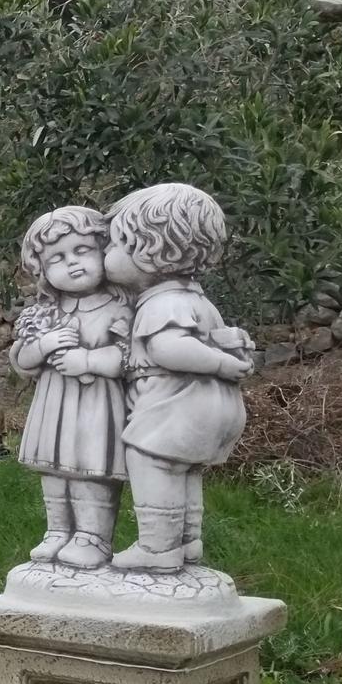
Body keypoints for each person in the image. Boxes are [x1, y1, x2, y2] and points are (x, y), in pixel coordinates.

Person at [104, 183, 253, 572]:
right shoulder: (197, 299)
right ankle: (188, 541)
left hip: (177, 405)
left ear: (152, 251)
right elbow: (215, 339)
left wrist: (219, 364)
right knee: (186, 474)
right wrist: (227, 352)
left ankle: (157, 548)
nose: (107, 253)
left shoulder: (162, 302)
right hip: (211, 406)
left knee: (152, 464)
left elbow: (167, 349)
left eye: (116, 243)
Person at [10, 206, 130, 568]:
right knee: (55, 471)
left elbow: (130, 357)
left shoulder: (120, 309)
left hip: (97, 407)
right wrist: (44, 345)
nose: (73, 263)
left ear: (102, 250)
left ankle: (93, 537)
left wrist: (89, 361)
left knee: (89, 470)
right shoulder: (43, 313)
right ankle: (58, 531)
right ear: (42, 271)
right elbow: (22, 361)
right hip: (54, 406)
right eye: (57, 258)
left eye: (82, 250)